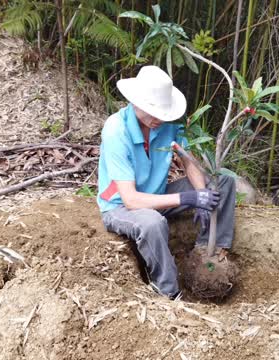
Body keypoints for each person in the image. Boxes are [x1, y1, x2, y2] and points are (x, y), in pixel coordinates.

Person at [96, 65, 236, 299]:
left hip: (158, 195)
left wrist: (201, 194)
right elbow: (131, 200)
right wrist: (188, 198)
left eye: (163, 112)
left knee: (222, 184)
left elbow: (188, 160)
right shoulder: (116, 130)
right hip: (121, 206)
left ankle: (207, 252)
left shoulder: (165, 124)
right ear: (135, 102)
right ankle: (169, 291)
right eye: (153, 111)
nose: (159, 118)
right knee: (152, 223)